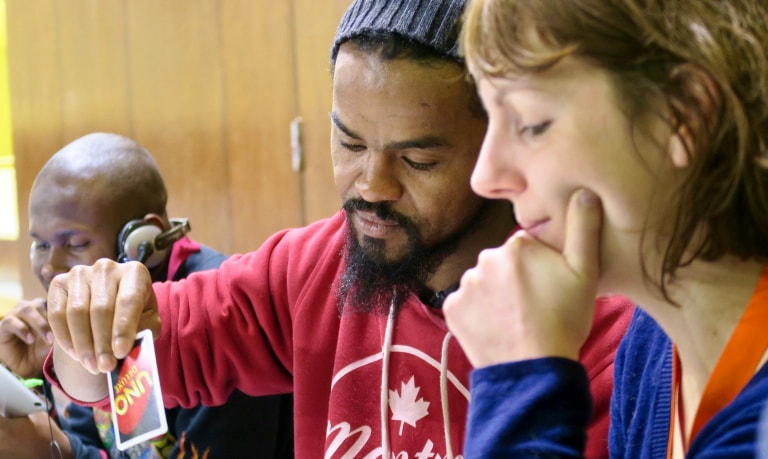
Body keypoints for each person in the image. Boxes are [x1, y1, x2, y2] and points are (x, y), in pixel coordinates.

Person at [41, 1, 632, 457]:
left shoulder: (602, 325)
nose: (371, 184)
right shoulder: (317, 265)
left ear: (505, 145)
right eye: (349, 141)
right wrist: (87, 332)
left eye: (419, 161)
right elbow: (124, 375)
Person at [441, 0, 768, 457]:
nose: (485, 177)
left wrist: (520, 379)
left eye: (532, 124)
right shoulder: (651, 340)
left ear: (684, 113)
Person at [0, 132, 294, 458]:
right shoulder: (97, 312)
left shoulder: (215, 322)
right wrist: (36, 383)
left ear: (141, 241)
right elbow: (89, 441)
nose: (48, 267)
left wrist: (50, 450)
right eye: (40, 245)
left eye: (74, 245)